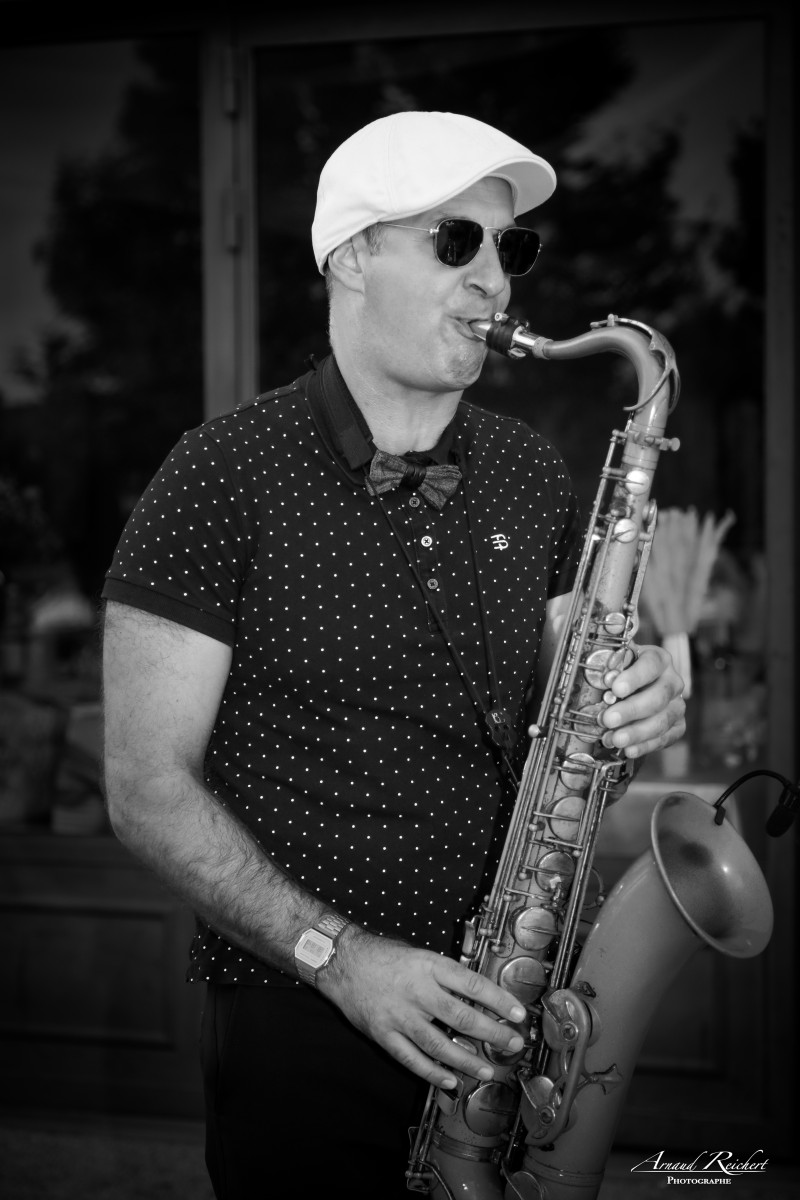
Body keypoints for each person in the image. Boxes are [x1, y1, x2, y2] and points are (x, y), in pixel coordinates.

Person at [101, 111, 686, 1199]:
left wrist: (629, 718)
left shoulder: (533, 472)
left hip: (510, 1013)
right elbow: (143, 790)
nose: (494, 279)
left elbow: (577, 755)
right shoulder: (216, 474)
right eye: (454, 241)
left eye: (511, 247)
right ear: (352, 256)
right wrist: (343, 960)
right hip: (298, 1019)